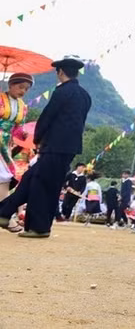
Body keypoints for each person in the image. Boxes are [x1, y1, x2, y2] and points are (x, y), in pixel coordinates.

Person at [0, 56, 92, 238]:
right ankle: (3, 213)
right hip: (70, 148)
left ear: (60, 72)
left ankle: (38, 227)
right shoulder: (85, 95)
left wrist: (38, 139)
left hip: (54, 147)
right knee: (31, 178)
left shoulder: (62, 92)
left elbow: (47, 117)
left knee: (42, 184)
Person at [0, 73, 33, 220]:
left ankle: (4, 213)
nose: (23, 91)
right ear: (10, 85)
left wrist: (22, 134)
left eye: (26, 89)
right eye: (20, 87)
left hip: (6, 144)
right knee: (4, 176)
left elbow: (17, 130)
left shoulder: (23, 107)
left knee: (6, 177)